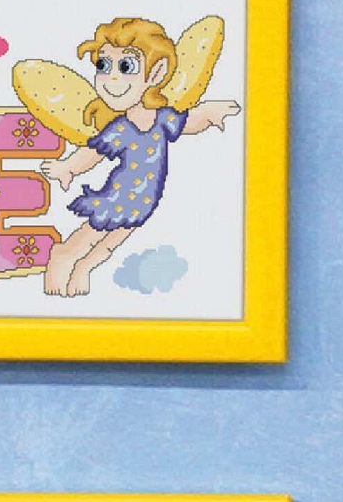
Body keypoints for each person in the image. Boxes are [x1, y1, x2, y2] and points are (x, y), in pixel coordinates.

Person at [41, 18, 239, 297]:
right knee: (89, 238)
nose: (111, 79)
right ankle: (61, 258)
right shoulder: (121, 128)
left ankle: (84, 269)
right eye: (103, 66)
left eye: (125, 67)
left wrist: (209, 113)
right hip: (117, 199)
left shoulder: (162, 119)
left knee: (108, 246)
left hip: (143, 203)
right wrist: (68, 168)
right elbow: (93, 152)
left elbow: (189, 122)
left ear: (156, 73)